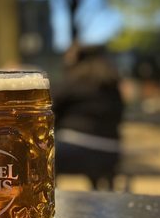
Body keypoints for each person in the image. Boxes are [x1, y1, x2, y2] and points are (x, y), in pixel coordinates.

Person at [53, 44, 124, 189]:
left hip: (75, 149)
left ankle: (50, 198)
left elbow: (51, 109)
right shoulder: (111, 83)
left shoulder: (74, 80)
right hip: (111, 152)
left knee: (41, 157)